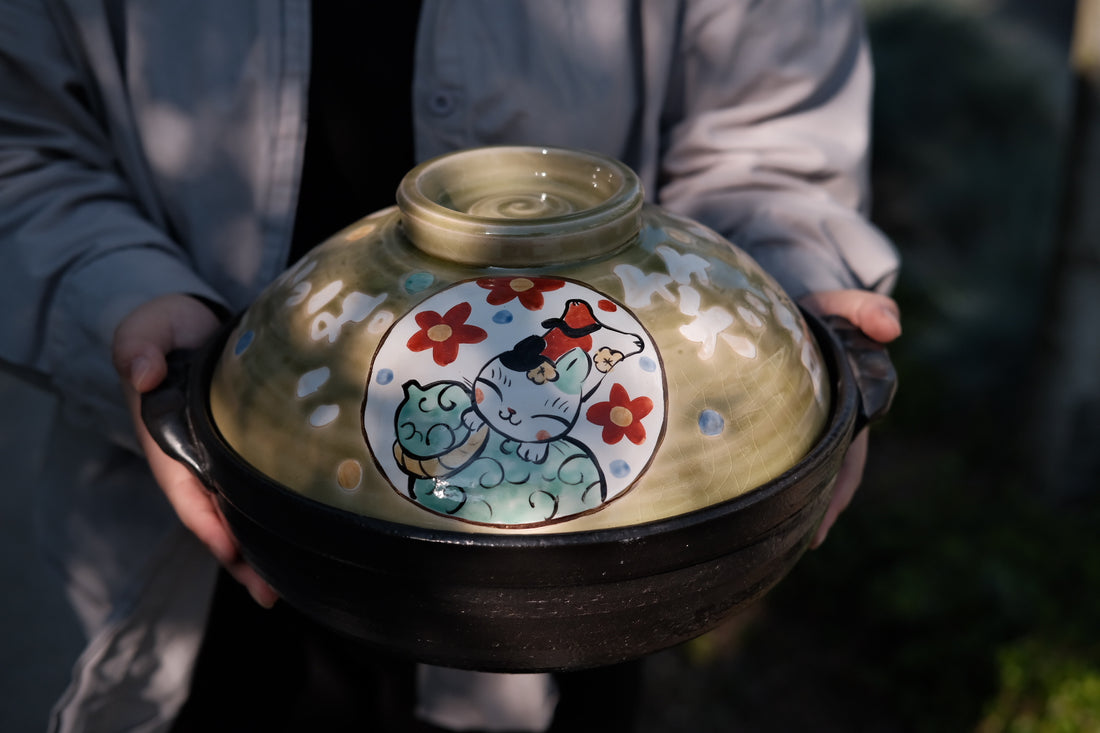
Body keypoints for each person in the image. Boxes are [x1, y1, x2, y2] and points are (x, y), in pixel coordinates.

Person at [0, 1, 901, 731]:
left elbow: (770, 131)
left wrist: (796, 290)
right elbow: (22, 136)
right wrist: (122, 296)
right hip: (218, 559)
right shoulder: (462, 416)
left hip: (597, 606)